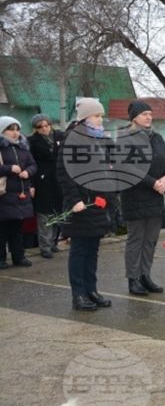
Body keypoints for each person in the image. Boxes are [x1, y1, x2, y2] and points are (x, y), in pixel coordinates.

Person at [56, 99, 116, 310]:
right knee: (80, 250)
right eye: (96, 116)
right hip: (81, 205)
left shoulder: (99, 139)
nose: (100, 120)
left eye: (101, 116)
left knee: (93, 250)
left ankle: (91, 290)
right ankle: (78, 295)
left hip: (98, 203)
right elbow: (64, 174)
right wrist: (76, 201)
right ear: (84, 118)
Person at [121, 100, 165, 295]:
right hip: (136, 196)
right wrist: (153, 182)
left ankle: (145, 275)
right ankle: (133, 278)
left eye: (150, 114)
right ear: (134, 117)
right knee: (136, 239)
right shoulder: (125, 138)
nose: (149, 117)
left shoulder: (157, 138)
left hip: (157, 195)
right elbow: (128, 168)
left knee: (151, 239)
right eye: (144, 114)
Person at [0, 116, 37, 269]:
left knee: (17, 228)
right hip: (4, 194)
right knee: (2, 230)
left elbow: (33, 164)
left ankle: (18, 256)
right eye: (11, 129)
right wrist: (8, 169)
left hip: (20, 195)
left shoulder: (23, 147)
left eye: (17, 129)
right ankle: (1, 259)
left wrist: (28, 172)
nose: (15, 133)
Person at [28, 114, 64, 259]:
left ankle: (53, 242)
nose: (44, 128)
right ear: (35, 129)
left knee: (58, 212)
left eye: (46, 125)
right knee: (44, 214)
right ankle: (45, 246)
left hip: (59, 179)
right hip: (42, 180)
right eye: (40, 126)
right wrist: (32, 184)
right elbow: (30, 162)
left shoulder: (59, 136)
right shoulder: (31, 141)